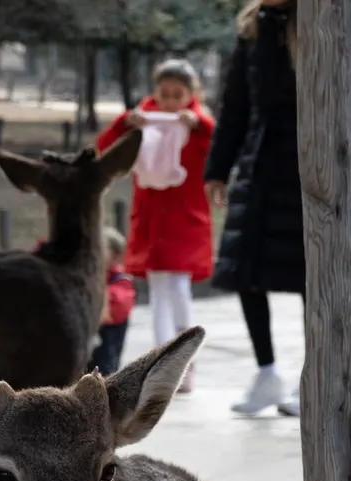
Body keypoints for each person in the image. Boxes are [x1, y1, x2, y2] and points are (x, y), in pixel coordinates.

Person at [205, 0, 304, 417]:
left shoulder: (323, 21)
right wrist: (218, 169)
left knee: (312, 279)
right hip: (259, 166)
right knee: (243, 272)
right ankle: (267, 374)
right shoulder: (252, 29)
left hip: (310, 165)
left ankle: (311, 374)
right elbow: (235, 107)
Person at [97, 59, 214, 394]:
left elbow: (220, 148)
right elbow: (104, 149)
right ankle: (164, 368)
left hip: (185, 223)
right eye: (164, 94)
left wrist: (200, 125)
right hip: (152, 222)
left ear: (191, 94)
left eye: (178, 94)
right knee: (160, 294)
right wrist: (124, 123)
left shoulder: (197, 126)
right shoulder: (142, 123)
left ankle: (185, 363)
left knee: (178, 290)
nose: (170, 101)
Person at [89, 227, 137, 376]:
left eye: (100, 248)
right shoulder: (86, 277)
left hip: (105, 357)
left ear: (115, 255)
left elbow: (115, 312)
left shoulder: (122, 282)